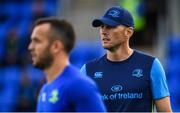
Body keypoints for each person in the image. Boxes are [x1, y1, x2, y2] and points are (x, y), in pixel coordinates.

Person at [80, 6, 172, 112]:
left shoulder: (151, 66)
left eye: (110, 26)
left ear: (128, 32)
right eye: (102, 27)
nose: (104, 31)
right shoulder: (87, 71)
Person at [28, 17, 106, 112]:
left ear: (56, 46)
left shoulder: (80, 86)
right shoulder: (45, 89)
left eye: (37, 41)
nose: (30, 47)